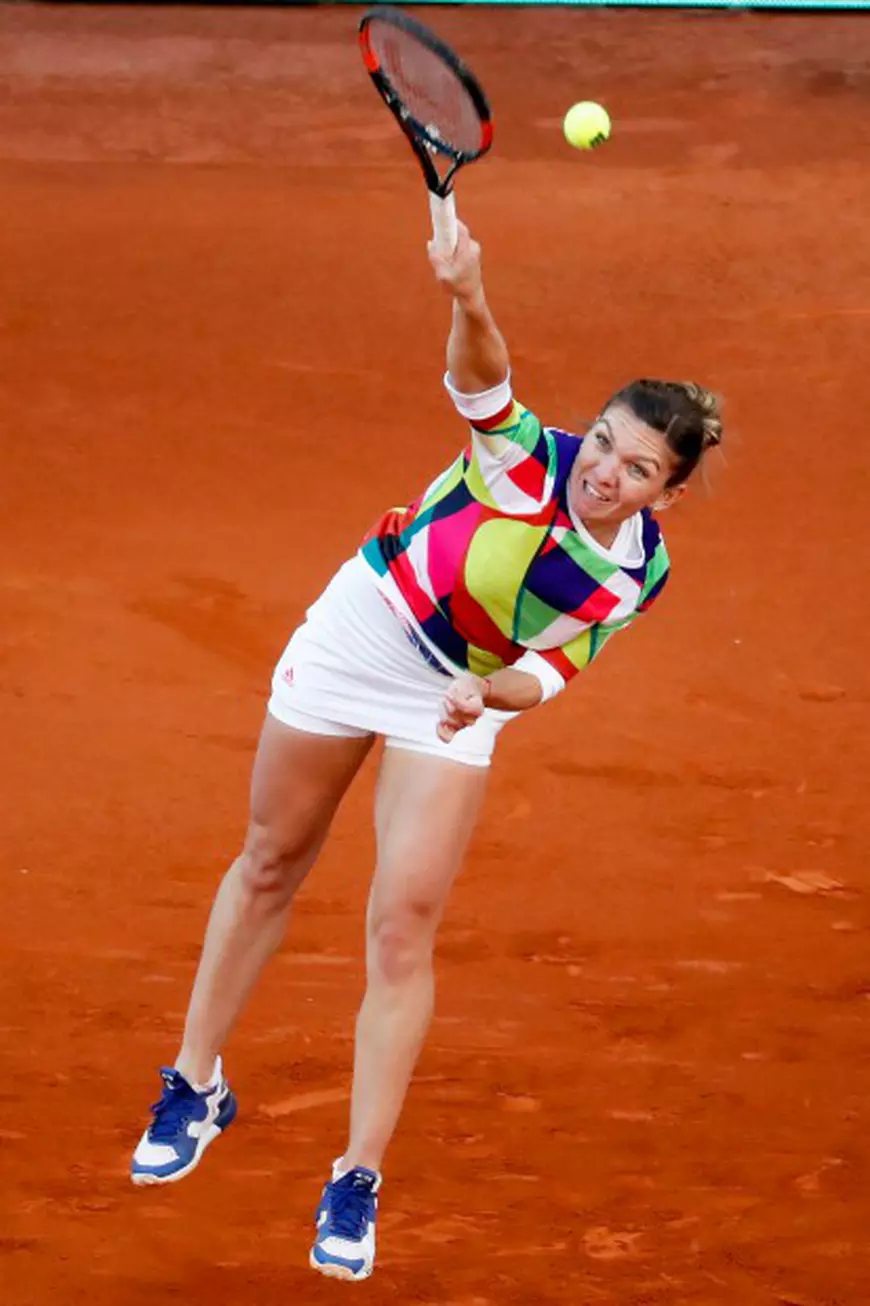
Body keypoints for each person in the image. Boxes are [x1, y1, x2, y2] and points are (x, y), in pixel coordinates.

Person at [130, 222, 723, 1282]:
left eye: (638, 469)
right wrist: (471, 293)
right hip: (364, 629)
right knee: (272, 857)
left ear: (666, 493)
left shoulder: (639, 571)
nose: (605, 473)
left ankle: (356, 1174)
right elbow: (480, 378)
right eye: (605, 444)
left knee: (403, 923)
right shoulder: (523, 455)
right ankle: (194, 1081)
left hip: (460, 694)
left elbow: (554, 670)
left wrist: (486, 691)